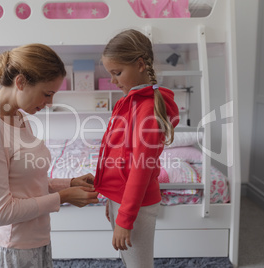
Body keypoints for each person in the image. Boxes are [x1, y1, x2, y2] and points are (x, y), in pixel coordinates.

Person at [0, 43, 99, 268]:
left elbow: (27, 184)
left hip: (36, 242)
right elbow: (1, 212)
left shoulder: (19, 118)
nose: (49, 103)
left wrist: (68, 183)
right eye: (47, 94)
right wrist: (64, 197)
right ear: (20, 82)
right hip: (10, 251)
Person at [94, 29, 180, 268]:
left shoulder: (147, 110)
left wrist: (125, 218)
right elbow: (118, 153)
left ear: (140, 64)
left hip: (136, 204)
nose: (113, 81)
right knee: (130, 260)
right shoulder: (129, 102)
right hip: (123, 199)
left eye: (117, 73)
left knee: (139, 265)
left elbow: (140, 170)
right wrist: (112, 199)